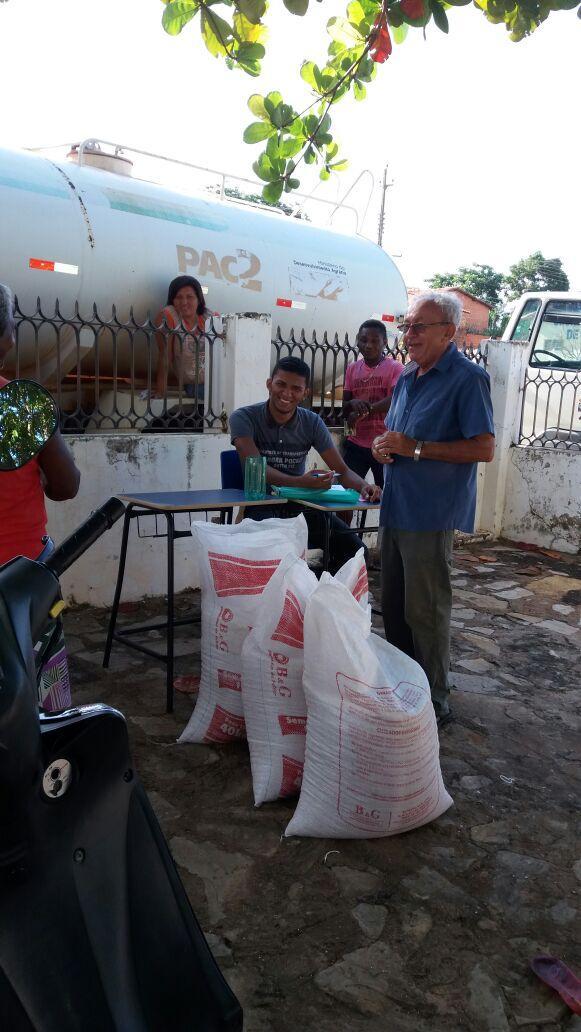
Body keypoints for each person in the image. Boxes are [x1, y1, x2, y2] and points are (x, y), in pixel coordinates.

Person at [371, 290, 495, 727]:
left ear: (449, 332)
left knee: (425, 611)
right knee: (394, 608)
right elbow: (395, 434)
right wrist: (382, 446)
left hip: (431, 513)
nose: (409, 334)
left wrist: (417, 448)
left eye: (419, 327)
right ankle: (405, 688)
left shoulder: (468, 379)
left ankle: (434, 701)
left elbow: (484, 448)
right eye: (406, 326)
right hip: (396, 506)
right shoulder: (407, 376)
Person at [0, 283, 81, 711]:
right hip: (21, 579)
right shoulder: (20, 406)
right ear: (6, 339)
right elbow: (67, 486)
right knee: (42, 702)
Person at [229, 356, 382, 573]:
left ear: (305, 393)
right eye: (281, 384)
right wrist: (301, 481)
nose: (287, 393)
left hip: (300, 505)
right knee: (275, 561)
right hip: (260, 505)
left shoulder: (312, 422)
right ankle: (298, 587)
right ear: (269, 384)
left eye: (296, 388)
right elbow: (255, 469)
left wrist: (365, 487)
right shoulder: (243, 417)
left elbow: (342, 470)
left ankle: (320, 591)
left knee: (356, 553)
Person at [340, 319, 403, 523]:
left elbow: (395, 400)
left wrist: (367, 410)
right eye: (363, 340)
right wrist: (353, 404)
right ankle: (343, 537)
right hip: (356, 444)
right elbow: (345, 406)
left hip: (384, 445)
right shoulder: (352, 369)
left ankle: (388, 538)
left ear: (384, 342)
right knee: (345, 496)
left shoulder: (395, 368)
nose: (368, 345)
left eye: (375, 341)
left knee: (389, 498)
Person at [154, 275, 216, 402]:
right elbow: (165, 357)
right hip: (195, 386)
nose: (184, 302)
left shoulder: (210, 317)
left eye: (190, 297)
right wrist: (160, 392)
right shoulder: (168, 316)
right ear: (172, 300)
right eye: (179, 297)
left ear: (199, 299)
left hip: (217, 381)